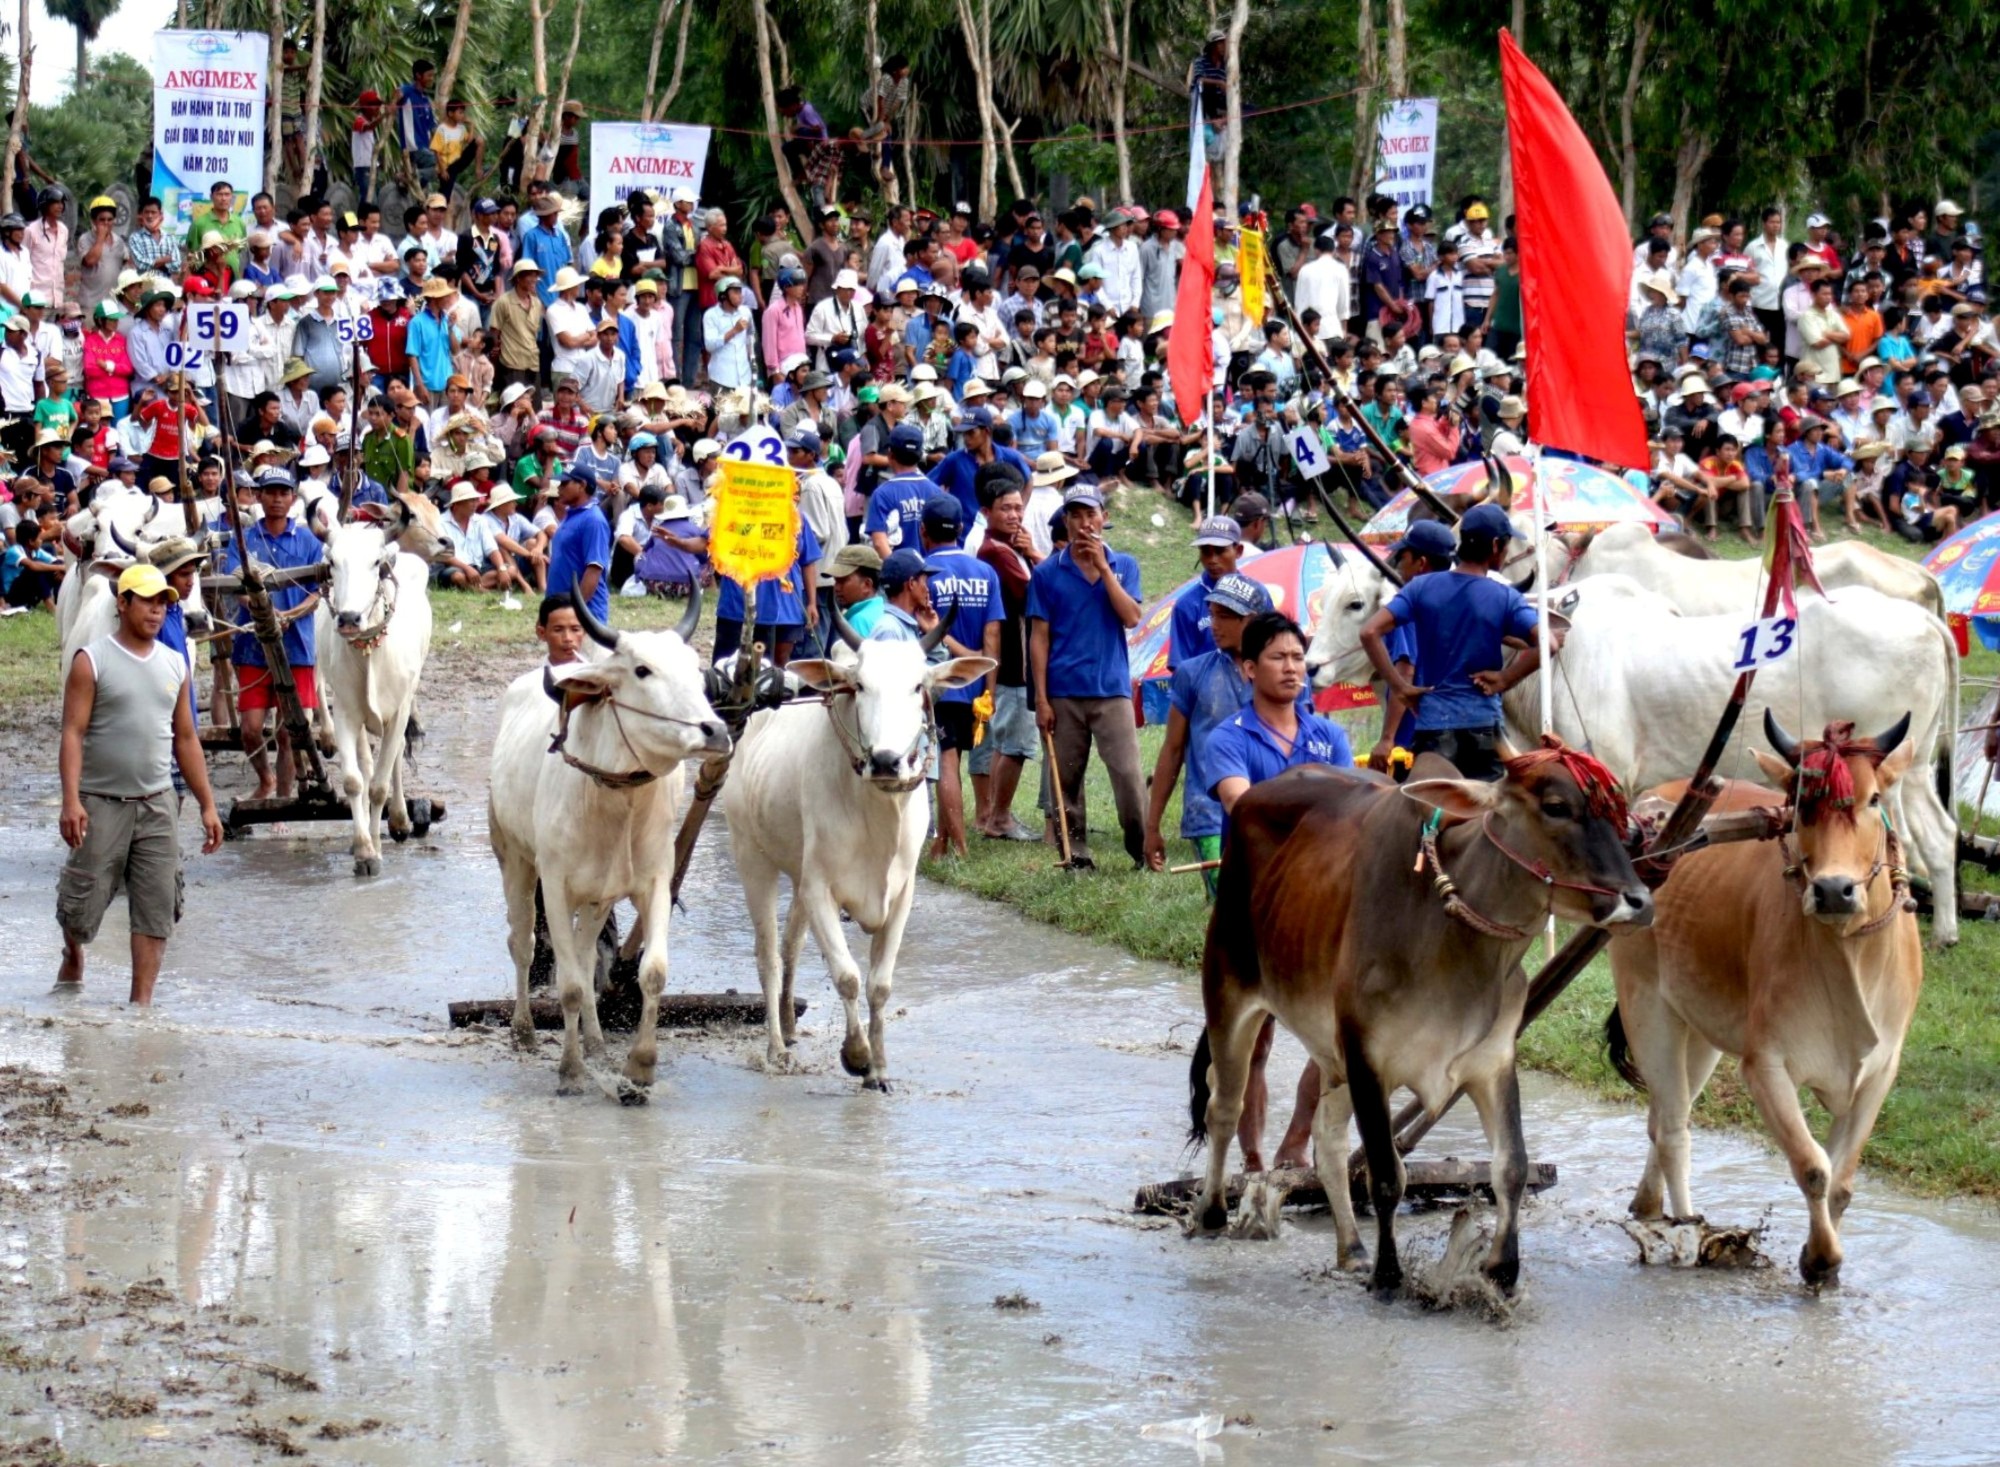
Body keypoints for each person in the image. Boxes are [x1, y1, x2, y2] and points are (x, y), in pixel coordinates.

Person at [56, 562, 224, 1003]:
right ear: (123, 603)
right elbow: (72, 732)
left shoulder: (175, 663)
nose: (155, 611)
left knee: (156, 905)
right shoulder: (91, 661)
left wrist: (207, 804)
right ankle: (73, 955)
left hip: (157, 802)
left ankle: (141, 1005)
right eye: (146, 601)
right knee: (81, 904)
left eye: (162, 603)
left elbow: (185, 738)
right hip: (101, 801)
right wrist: (71, 800)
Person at [1359, 503, 1548, 781]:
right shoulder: (1504, 596)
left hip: (1433, 725)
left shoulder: (1420, 588)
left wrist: (1400, 688)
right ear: (1496, 545)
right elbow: (1547, 644)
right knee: (1485, 810)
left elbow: (1369, 632)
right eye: (1507, 544)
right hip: (1485, 724)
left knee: (1431, 811)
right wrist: (1506, 678)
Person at [1027, 484, 1145, 867]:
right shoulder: (1047, 573)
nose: (1083, 523)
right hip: (1063, 691)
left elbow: (1131, 617)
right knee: (1066, 783)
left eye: (1091, 514)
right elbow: (1039, 639)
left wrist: (1104, 569)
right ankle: (1075, 854)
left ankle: (1141, 848)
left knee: (1127, 776)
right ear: (1065, 520)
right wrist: (1041, 699)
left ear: (1104, 519)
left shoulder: (1125, 565)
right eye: (1075, 515)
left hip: (1111, 690)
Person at [1144, 572, 1281, 889]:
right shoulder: (1192, 673)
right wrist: (1153, 826)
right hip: (1209, 815)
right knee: (1229, 906)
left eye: (1225, 616)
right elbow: (1172, 749)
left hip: (1272, 811)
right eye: (1212, 615)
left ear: (1253, 620)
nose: (1214, 625)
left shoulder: (1283, 674)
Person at [220, 474, 324, 800]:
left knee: (287, 732)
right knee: (250, 728)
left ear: (292, 498)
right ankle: (264, 780)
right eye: (270, 493)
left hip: (297, 645)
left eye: (283, 493)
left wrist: (289, 616)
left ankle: (281, 797)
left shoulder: (309, 541)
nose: (277, 499)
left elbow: (317, 592)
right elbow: (236, 585)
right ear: (258, 497)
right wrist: (262, 611)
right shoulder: (245, 539)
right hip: (253, 644)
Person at [918, 495, 1003, 858]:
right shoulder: (985, 572)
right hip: (977, 686)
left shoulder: (921, 575)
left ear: (923, 532)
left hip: (942, 684)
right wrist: (989, 690)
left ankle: (961, 848)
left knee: (946, 763)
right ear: (963, 529)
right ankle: (943, 841)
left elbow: (925, 631)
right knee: (956, 762)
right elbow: (993, 635)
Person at [1169, 515, 1243, 669]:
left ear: (1238, 551)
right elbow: (1180, 669)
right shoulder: (1186, 605)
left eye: (1220, 550)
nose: (1212, 560)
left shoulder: (1258, 597)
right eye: (1205, 551)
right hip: (1203, 691)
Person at [544, 468, 612, 621]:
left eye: (565, 483)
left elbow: (593, 570)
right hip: (561, 611)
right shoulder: (571, 516)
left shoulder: (593, 520)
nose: (559, 488)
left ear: (582, 485)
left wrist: (575, 612)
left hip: (586, 616)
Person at [828, 543, 887, 637]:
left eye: (842, 581)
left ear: (867, 585)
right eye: (836, 581)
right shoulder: (885, 610)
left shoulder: (859, 621)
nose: (836, 588)